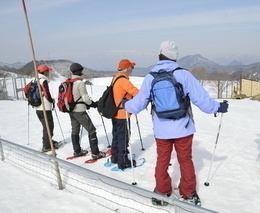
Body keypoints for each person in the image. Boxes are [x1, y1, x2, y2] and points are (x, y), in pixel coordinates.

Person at [123, 40, 228, 205]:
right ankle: (188, 193)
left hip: (161, 129)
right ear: (175, 58)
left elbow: (137, 104)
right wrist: (219, 107)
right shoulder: (183, 74)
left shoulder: (150, 77)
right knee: (185, 160)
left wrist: (126, 105)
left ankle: (162, 192)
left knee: (162, 160)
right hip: (183, 128)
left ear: (159, 55)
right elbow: (203, 101)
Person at [68, 62, 106, 160]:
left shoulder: (69, 81)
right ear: (79, 71)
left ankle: (77, 151)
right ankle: (95, 153)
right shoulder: (80, 83)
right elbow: (85, 98)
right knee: (91, 130)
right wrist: (93, 104)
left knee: (75, 130)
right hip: (79, 110)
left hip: (71, 110)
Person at [110, 59, 139, 170]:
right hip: (122, 113)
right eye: (131, 67)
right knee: (124, 137)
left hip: (115, 112)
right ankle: (123, 161)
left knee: (117, 135)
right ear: (127, 68)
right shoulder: (124, 80)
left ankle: (115, 157)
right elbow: (135, 92)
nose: (132, 69)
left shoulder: (115, 78)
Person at [36, 65, 60, 152]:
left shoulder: (34, 80)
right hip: (45, 108)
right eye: (48, 71)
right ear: (44, 72)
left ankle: (48, 141)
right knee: (48, 127)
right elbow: (46, 93)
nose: (49, 73)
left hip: (38, 108)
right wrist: (51, 100)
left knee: (46, 127)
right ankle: (46, 146)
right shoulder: (43, 80)